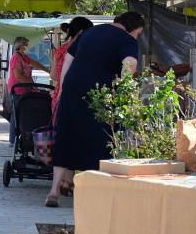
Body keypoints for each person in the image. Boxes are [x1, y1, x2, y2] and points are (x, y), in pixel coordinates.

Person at [46, 11, 144, 208]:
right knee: (99, 141)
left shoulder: (90, 32)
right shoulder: (127, 40)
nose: (137, 37)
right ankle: (92, 194)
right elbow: (129, 64)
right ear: (133, 29)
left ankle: (53, 191)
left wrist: (64, 88)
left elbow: (68, 59)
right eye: (139, 33)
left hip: (73, 88)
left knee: (66, 137)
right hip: (100, 95)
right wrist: (125, 92)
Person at [7, 37, 49, 147]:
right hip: (18, 89)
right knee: (16, 114)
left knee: (23, 113)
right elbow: (18, 76)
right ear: (20, 46)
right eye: (26, 44)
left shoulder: (23, 57)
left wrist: (48, 70)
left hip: (25, 89)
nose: (27, 47)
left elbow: (35, 63)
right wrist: (32, 84)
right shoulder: (16, 57)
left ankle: (24, 138)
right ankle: (13, 140)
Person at [50, 17, 94, 115]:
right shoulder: (84, 50)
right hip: (77, 99)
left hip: (58, 98)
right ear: (81, 32)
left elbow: (53, 75)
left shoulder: (60, 50)